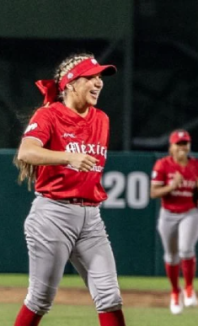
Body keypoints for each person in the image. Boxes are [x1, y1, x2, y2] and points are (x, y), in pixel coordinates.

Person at [13, 53, 126, 326]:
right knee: (40, 298)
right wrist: (68, 156)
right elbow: (26, 151)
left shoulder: (102, 119)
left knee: (110, 297)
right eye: (92, 77)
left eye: (101, 77)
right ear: (71, 83)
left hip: (91, 218)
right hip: (53, 214)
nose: (99, 82)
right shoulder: (49, 114)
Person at [150, 129, 198, 314]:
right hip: (168, 213)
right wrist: (172, 186)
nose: (182, 147)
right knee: (171, 255)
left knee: (186, 249)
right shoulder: (162, 165)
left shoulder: (196, 165)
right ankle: (175, 291)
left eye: (185, 143)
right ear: (171, 147)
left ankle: (189, 288)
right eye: (178, 144)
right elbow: (153, 192)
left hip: (190, 212)